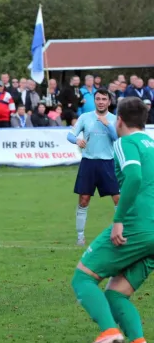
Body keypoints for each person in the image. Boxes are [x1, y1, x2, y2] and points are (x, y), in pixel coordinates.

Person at [71, 97, 153, 343]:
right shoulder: (152, 145)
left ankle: (109, 332)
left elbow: (135, 177)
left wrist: (119, 220)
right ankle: (137, 342)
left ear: (119, 120)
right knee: (116, 293)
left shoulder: (125, 143)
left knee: (82, 278)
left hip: (136, 225)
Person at [67, 88, 119, 246]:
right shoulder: (85, 117)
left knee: (118, 199)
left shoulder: (114, 119)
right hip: (89, 163)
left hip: (109, 163)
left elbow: (117, 137)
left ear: (109, 102)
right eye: (98, 99)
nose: (101, 102)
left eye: (104, 99)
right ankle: (80, 236)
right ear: (94, 101)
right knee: (83, 200)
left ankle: (121, 232)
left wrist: (107, 125)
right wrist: (76, 141)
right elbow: (70, 135)